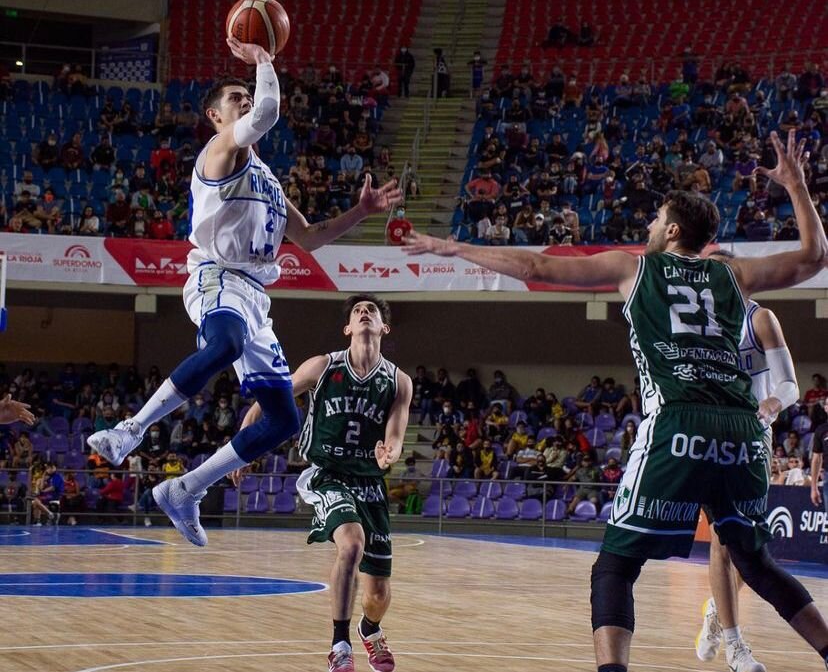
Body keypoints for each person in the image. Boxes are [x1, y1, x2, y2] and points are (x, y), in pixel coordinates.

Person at [403, 129, 828, 672]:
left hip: (679, 419)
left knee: (615, 567)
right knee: (756, 563)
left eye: (656, 219)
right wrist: (796, 186)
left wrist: (454, 248)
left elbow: (537, 268)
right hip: (744, 429)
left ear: (672, 230)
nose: (648, 225)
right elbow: (815, 256)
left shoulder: (634, 266)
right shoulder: (732, 273)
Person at [86, 35, 401, 547]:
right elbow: (268, 112)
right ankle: (131, 429)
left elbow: (311, 237)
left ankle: (185, 489)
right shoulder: (219, 153)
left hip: (255, 297)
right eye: (236, 98)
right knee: (226, 343)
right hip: (216, 275)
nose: (247, 100)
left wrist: (361, 212)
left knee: (283, 419)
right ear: (215, 116)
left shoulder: (268, 180)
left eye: (248, 95)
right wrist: (263, 59)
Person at [233, 294, 412, 672]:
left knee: (378, 595)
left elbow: (395, 435)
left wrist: (389, 454)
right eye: (358, 311)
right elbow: (271, 398)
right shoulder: (323, 366)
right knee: (352, 543)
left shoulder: (399, 381)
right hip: (328, 473)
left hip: (370, 483)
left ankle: (370, 629)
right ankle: (340, 644)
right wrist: (245, 442)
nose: (364, 313)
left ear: (384, 327)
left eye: (371, 310)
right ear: (348, 328)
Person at [695, 251, 801, 672]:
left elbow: (790, 384)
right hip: (713, 436)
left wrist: (772, 403)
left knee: (750, 544)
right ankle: (735, 645)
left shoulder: (760, 319)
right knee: (723, 538)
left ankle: (717, 610)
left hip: (755, 436)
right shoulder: (695, 325)